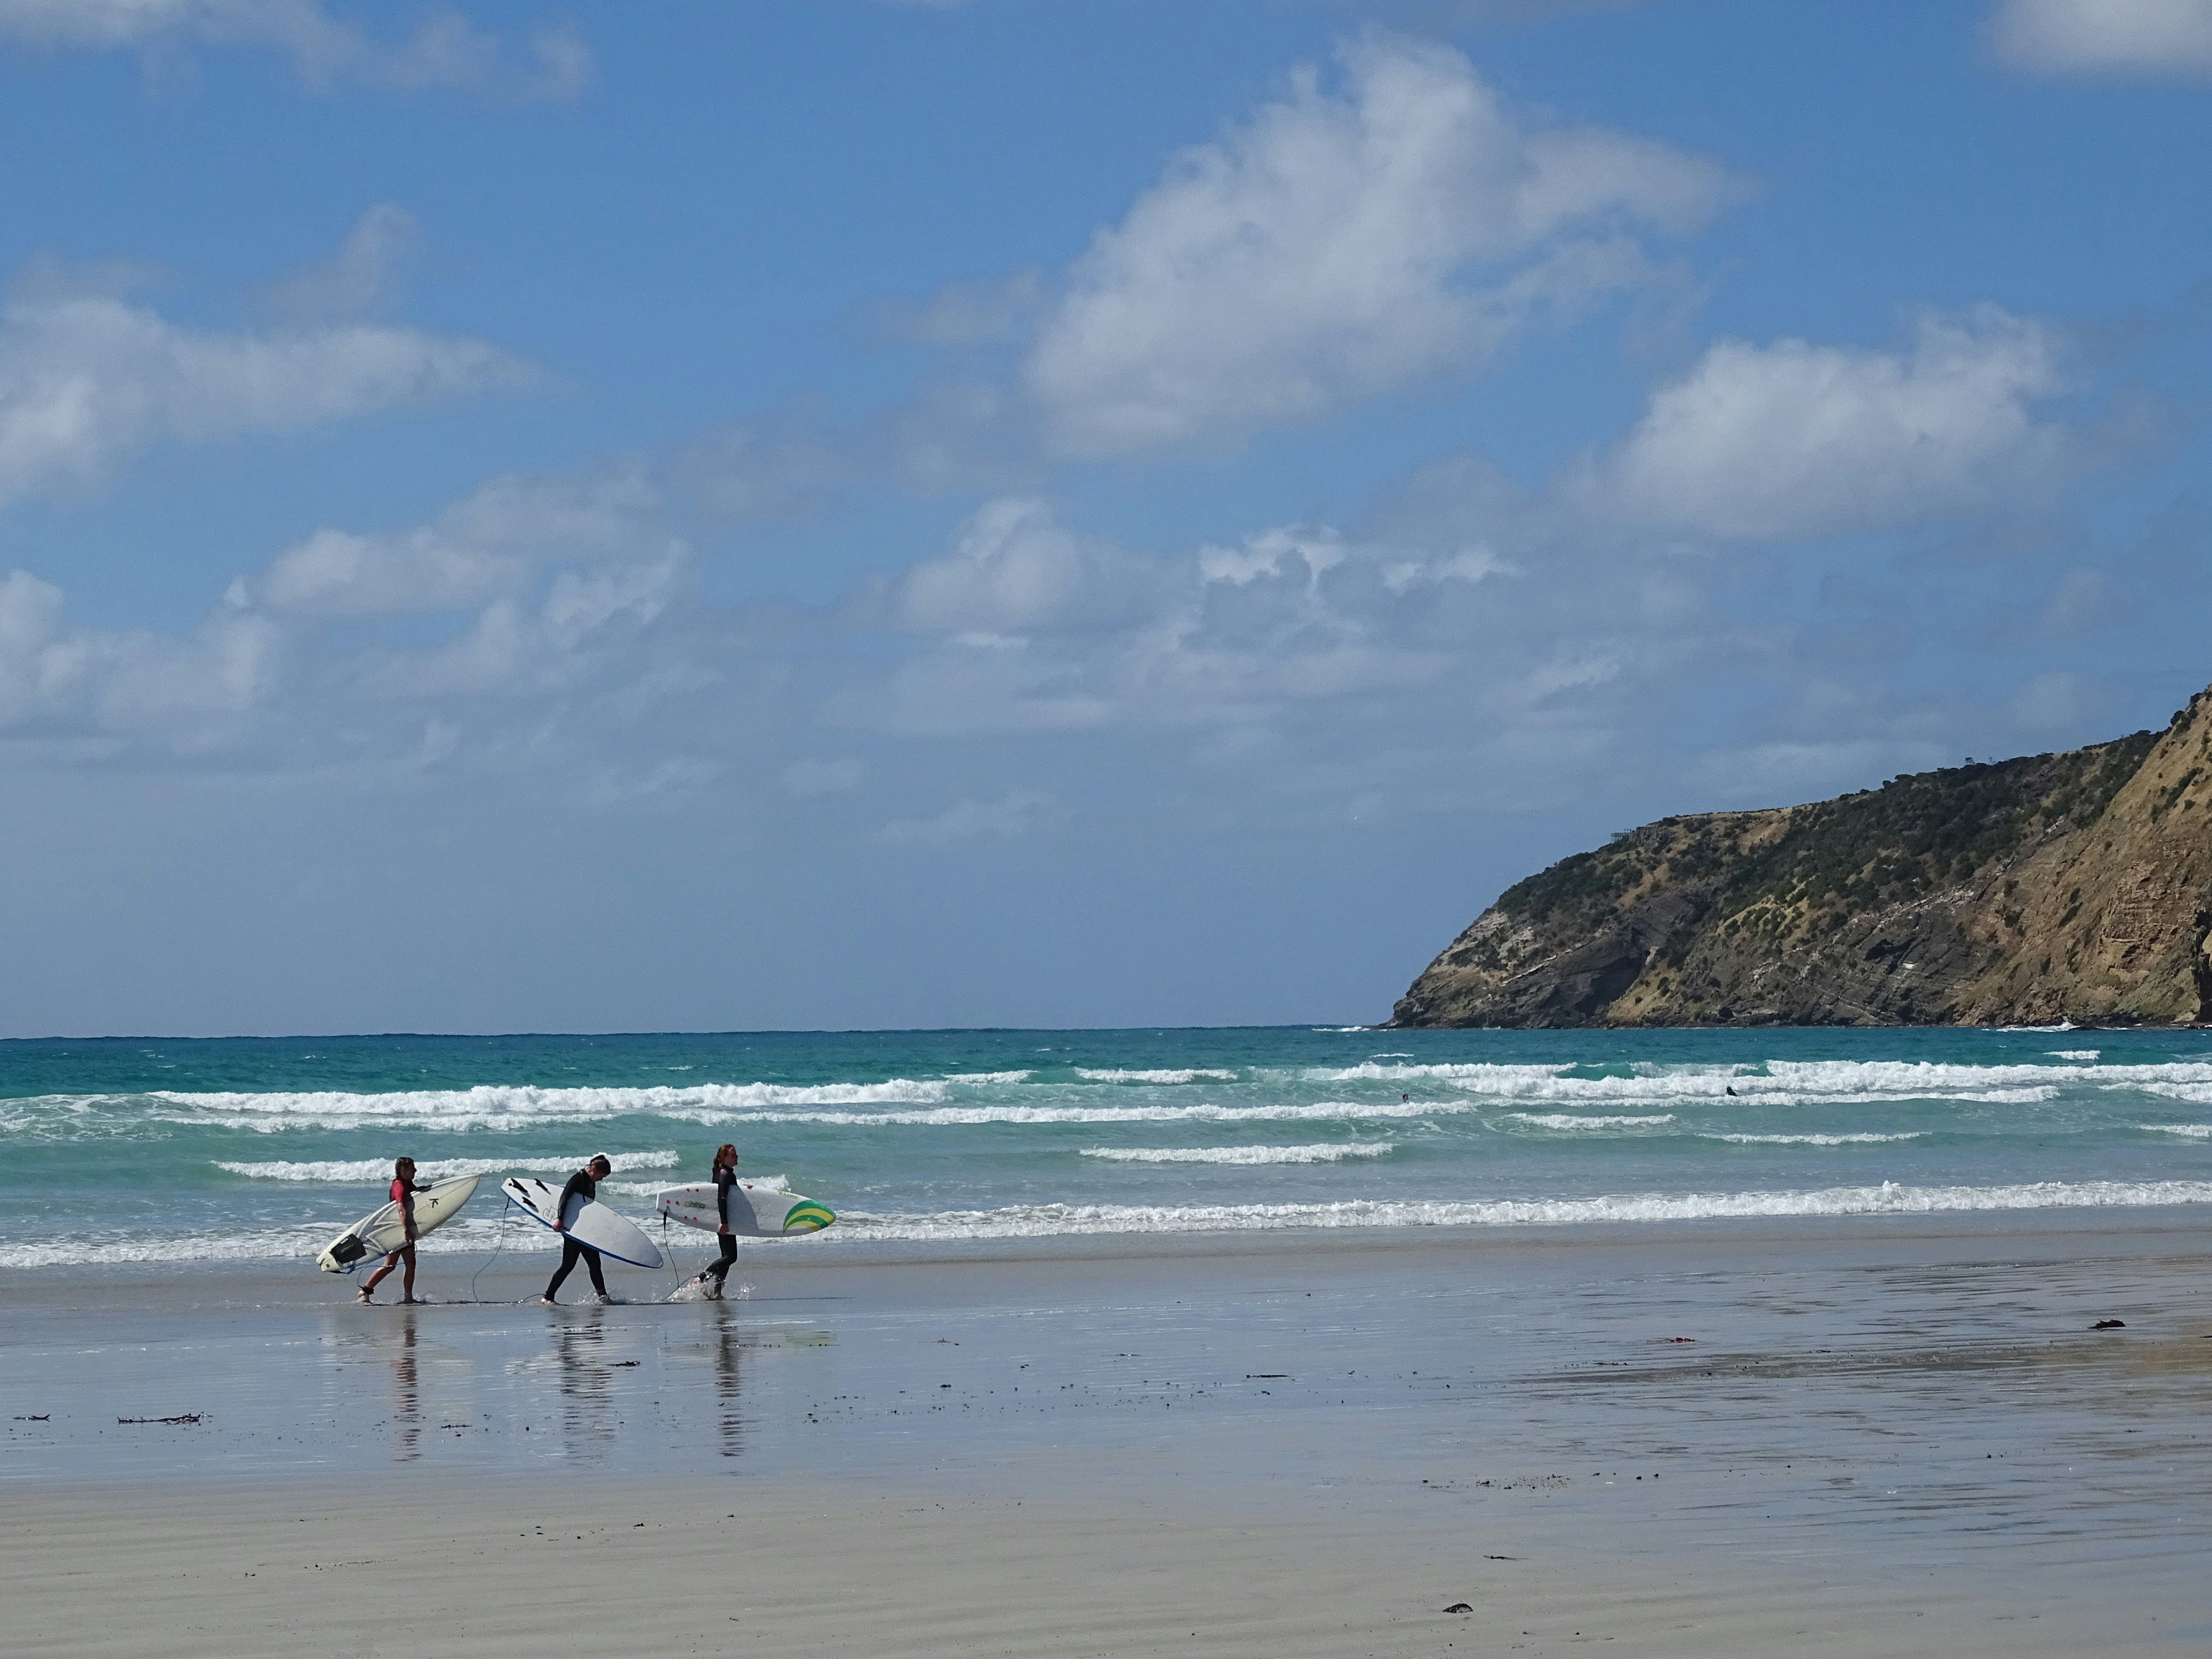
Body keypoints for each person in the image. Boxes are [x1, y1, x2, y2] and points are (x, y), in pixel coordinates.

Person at [541, 1155, 614, 1305]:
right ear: (594, 1169)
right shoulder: (578, 1179)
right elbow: (564, 1197)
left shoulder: (590, 1182)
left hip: (584, 1230)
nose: (601, 1180)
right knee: (569, 1265)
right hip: (574, 1231)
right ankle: (547, 1298)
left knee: (594, 1264)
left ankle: (603, 1297)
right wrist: (560, 1219)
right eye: (601, 1176)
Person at [359, 1157, 426, 1304]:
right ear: (402, 1171)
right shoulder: (399, 1186)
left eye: (414, 1168)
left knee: (409, 1264)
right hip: (397, 1232)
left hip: (402, 1230)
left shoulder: (408, 1184)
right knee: (390, 1266)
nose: (415, 1171)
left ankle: (408, 1297)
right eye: (410, 1169)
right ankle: (365, 1291)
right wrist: (406, 1231)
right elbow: (401, 1209)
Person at [691, 1143, 741, 1298]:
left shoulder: (724, 1173)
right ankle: (701, 1278)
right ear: (724, 1158)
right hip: (724, 1219)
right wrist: (724, 1222)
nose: (737, 1157)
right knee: (730, 1257)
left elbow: (729, 1194)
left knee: (727, 1256)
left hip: (724, 1218)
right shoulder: (725, 1174)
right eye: (733, 1155)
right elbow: (722, 1199)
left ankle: (717, 1292)